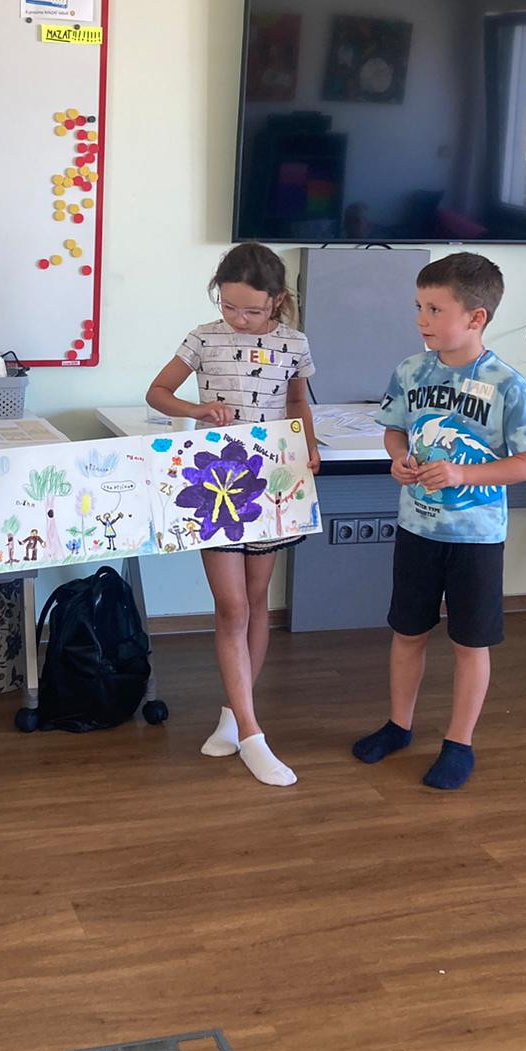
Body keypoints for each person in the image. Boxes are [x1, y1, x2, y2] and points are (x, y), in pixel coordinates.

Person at [352, 252, 526, 790]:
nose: (421, 319)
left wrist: (464, 474)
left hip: (476, 539)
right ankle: (398, 726)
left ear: (475, 317)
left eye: (435, 309)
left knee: (470, 642)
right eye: (418, 306)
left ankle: (459, 743)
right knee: (407, 631)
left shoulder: (508, 385)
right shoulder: (410, 371)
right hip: (416, 530)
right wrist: (397, 457)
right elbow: (394, 428)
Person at [146, 242, 318, 786]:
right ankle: (252, 733)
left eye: (251, 310)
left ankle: (232, 715)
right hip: (214, 478)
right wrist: (197, 408)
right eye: (228, 306)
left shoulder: (294, 343)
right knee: (231, 606)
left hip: (270, 477)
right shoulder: (203, 338)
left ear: (278, 301)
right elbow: (157, 392)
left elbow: (296, 402)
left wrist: (308, 447)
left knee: (256, 600)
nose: (238, 318)